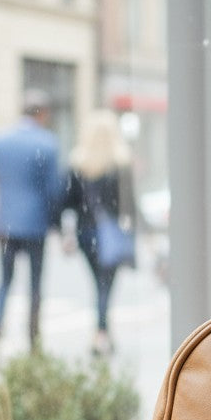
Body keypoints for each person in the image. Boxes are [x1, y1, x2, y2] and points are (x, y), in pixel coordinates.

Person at [0, 89, 63, 355]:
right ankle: (33, 337)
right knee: (35, 283)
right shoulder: (48, 143)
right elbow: (53, 190)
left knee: (4, 280)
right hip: (35, 222)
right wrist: (57, 223)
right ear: (43, 113)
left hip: (4, 221)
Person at [61, 108, 138, 357]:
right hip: (111, 234)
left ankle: (102, 332)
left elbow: (67, 202)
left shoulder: (78, 163)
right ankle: (102, 333)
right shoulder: (120, 163)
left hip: (86, 233)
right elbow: (129, 204)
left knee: (98, 283)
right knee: (105, 285)